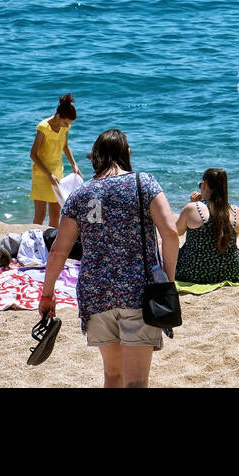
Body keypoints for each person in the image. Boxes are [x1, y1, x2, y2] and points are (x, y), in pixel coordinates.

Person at [41, 129, 179, 388]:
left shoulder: (81, 194)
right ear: (126, 154)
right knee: (136, 381)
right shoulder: (143, 183)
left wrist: (47, 295)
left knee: (113, 376)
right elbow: (170, 233)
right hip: (139, 292)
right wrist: (168, 282)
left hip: (96, 294)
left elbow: (59, 251)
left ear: (95, 158)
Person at [175, 168, 239, 283]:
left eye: (200, 185)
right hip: (229, 272)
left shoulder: (192, 208)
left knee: (161, 250)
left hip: (193, 272)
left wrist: (193, 204)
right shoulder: (235, 211)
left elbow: (177, 232)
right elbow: (232, 239)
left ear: (204, 185)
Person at [30, 94, 81, 227]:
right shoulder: (43, 128)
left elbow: (65, 146)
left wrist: (74, 165)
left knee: (55, 216)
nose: (67, 126)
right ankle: (35, 244)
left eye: (69, 124)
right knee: (39, 216)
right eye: (65, 122)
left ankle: (52, 244)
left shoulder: (65, 127)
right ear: (58, 116)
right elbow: (33, 155)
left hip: (58, 175)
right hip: (41, 175)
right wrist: (48, 174)